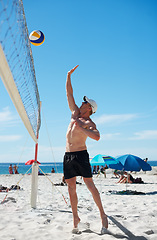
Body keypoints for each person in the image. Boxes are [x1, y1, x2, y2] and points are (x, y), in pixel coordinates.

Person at [63, 65, 108, 233]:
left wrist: (81, 128)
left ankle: (103, 215)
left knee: (89, 184)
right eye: (83, 101)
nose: (82, 102)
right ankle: (75, 216)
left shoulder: (89, 123)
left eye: (85, 102)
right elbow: (69, 94)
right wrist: (68, 76)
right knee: (70, 187)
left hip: (81, 155)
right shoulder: (74, 113)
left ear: (89, 108)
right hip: (68, 155)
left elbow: (97, 136)